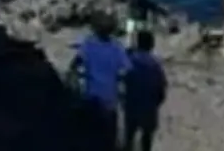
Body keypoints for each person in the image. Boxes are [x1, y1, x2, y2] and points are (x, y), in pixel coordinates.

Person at [67, 13, 130, 148]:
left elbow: (75, 64)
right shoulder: (116, 47)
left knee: (91, 138)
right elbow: (127, 69)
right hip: (110, 100)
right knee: (109, 140)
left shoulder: (89, 44)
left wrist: (75, 80)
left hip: (92, 98)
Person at [122, 30, 168, 151]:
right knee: (147, 138)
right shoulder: (156, 65)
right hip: (149, 107)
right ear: (152, 45)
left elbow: (123, 80)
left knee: (129, 136)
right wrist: (156, 103)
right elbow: (161, 89)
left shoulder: (130, 60)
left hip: (131, 104)